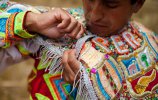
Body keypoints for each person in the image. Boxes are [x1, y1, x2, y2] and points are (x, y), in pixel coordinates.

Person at [0, 0, 158, 100]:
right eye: (89, 0)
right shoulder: (60, 23)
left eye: (110, 4)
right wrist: (30, 21)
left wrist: (84, 91)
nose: (94, 15)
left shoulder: (153, 49)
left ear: (138, 3)